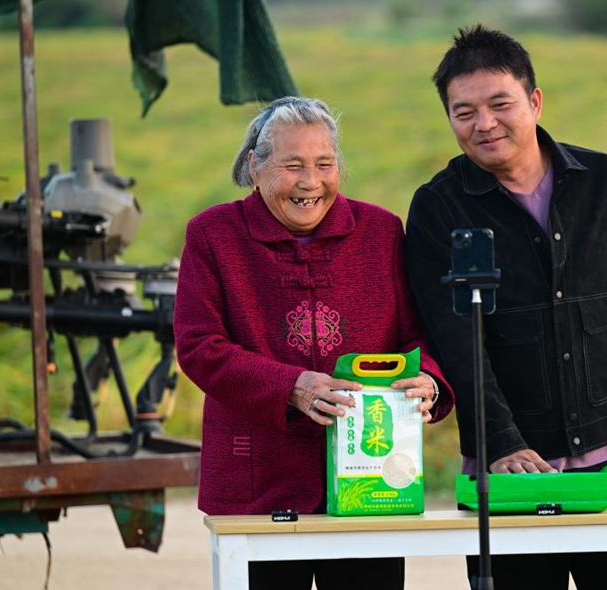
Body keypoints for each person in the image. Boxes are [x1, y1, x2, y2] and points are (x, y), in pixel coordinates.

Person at [405, 25, 607, 590]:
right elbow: (456, 342)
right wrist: (501, 443)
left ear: (534, 101)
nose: (484, 124)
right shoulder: (438, 206)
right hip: (511, 470)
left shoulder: (603, 179)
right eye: (464, 112)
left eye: (500, 104)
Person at [174, 96, 453, 590]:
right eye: (293, 165)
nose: (311, 182)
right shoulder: (214, 235)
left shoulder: (381, 232)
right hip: (259, 481)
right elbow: (199, 345)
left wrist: (427, 379)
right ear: (255, 168)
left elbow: (417, 334)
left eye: (325, 164)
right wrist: (291, 386)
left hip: (372, 478)